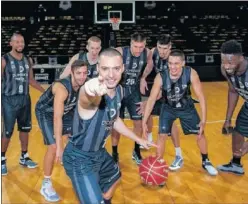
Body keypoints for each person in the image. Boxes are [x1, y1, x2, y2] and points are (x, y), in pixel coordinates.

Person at [62, 48, 155, 204]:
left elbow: (115, 119)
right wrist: (92, 88)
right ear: (98, 68)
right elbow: (87, 94)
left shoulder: (119, 90)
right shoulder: (91, 91)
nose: (111, 75)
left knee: (114, 178)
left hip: (99, 154)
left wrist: (138, 139)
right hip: (79, 158)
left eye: (116, 69)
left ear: (123, 68)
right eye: (105, 69)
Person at [142, 49, 218, 176]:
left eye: (176, 63)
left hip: (186, 107)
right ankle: (159, 164)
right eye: (170, 63)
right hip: (167, 108)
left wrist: (204, 120)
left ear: (183, 63)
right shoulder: (161, 76)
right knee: (162, 135)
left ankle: (206, 161)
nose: (172, 66)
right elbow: (151, 100)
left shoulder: (191, 73)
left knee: (200, 134)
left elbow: (201, 97)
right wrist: (144, 122)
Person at [35, 60, 88, 202]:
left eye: (84, 73)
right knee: (53, 147)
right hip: (46, 112)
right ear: (71, 73)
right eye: (78, 73)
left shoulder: (85, 84)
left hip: (67, 110)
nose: (82, 76)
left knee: (75, 135)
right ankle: (46, 184)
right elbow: (57, 118)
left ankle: (68, 159)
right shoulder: (62, 88)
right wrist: (58, 146)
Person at [1, 32, 45, 176]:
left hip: (25, 99)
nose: (20, 44)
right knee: (7, 131)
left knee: (25, 129)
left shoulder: (27, 60)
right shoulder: (4, 60)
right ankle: (2, 160)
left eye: (22, 42)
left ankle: (24, 157)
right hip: (9, 99)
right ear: (11, 43)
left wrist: (45, 92)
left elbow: (31, 80)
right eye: (17, 42)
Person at [139, 34, 182, 170]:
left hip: (173, 91)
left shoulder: (173, 60)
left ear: (170, 47)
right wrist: (143, 77)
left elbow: (163, 90)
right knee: (149, 112)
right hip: (160, 86)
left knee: (170, 123)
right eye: (160, 47)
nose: (162, 51)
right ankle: (150, 138)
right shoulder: (153, 52)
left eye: (165, 48)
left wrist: (149, 101)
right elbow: (150, 66)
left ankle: (179, 155)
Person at [111, 33, 153, 165]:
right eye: (135, 46)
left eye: (141, 47)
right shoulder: (119, 52)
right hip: (118, 91)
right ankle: (114, 153)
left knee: (138, 123)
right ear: (130, 44)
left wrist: (143, 77)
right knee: (116, 124)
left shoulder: (147, 53)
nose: (138, 50)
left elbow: (150, 63)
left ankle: (136, 150)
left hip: (133, 91)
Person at [217, 40, 248, 175]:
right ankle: (235, 164)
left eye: (230, 62)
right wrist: (228, 119)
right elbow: (233, 91)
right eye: (224, 61)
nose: (227, 66)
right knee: (238, 130)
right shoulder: (225, 70)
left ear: (241, 57)